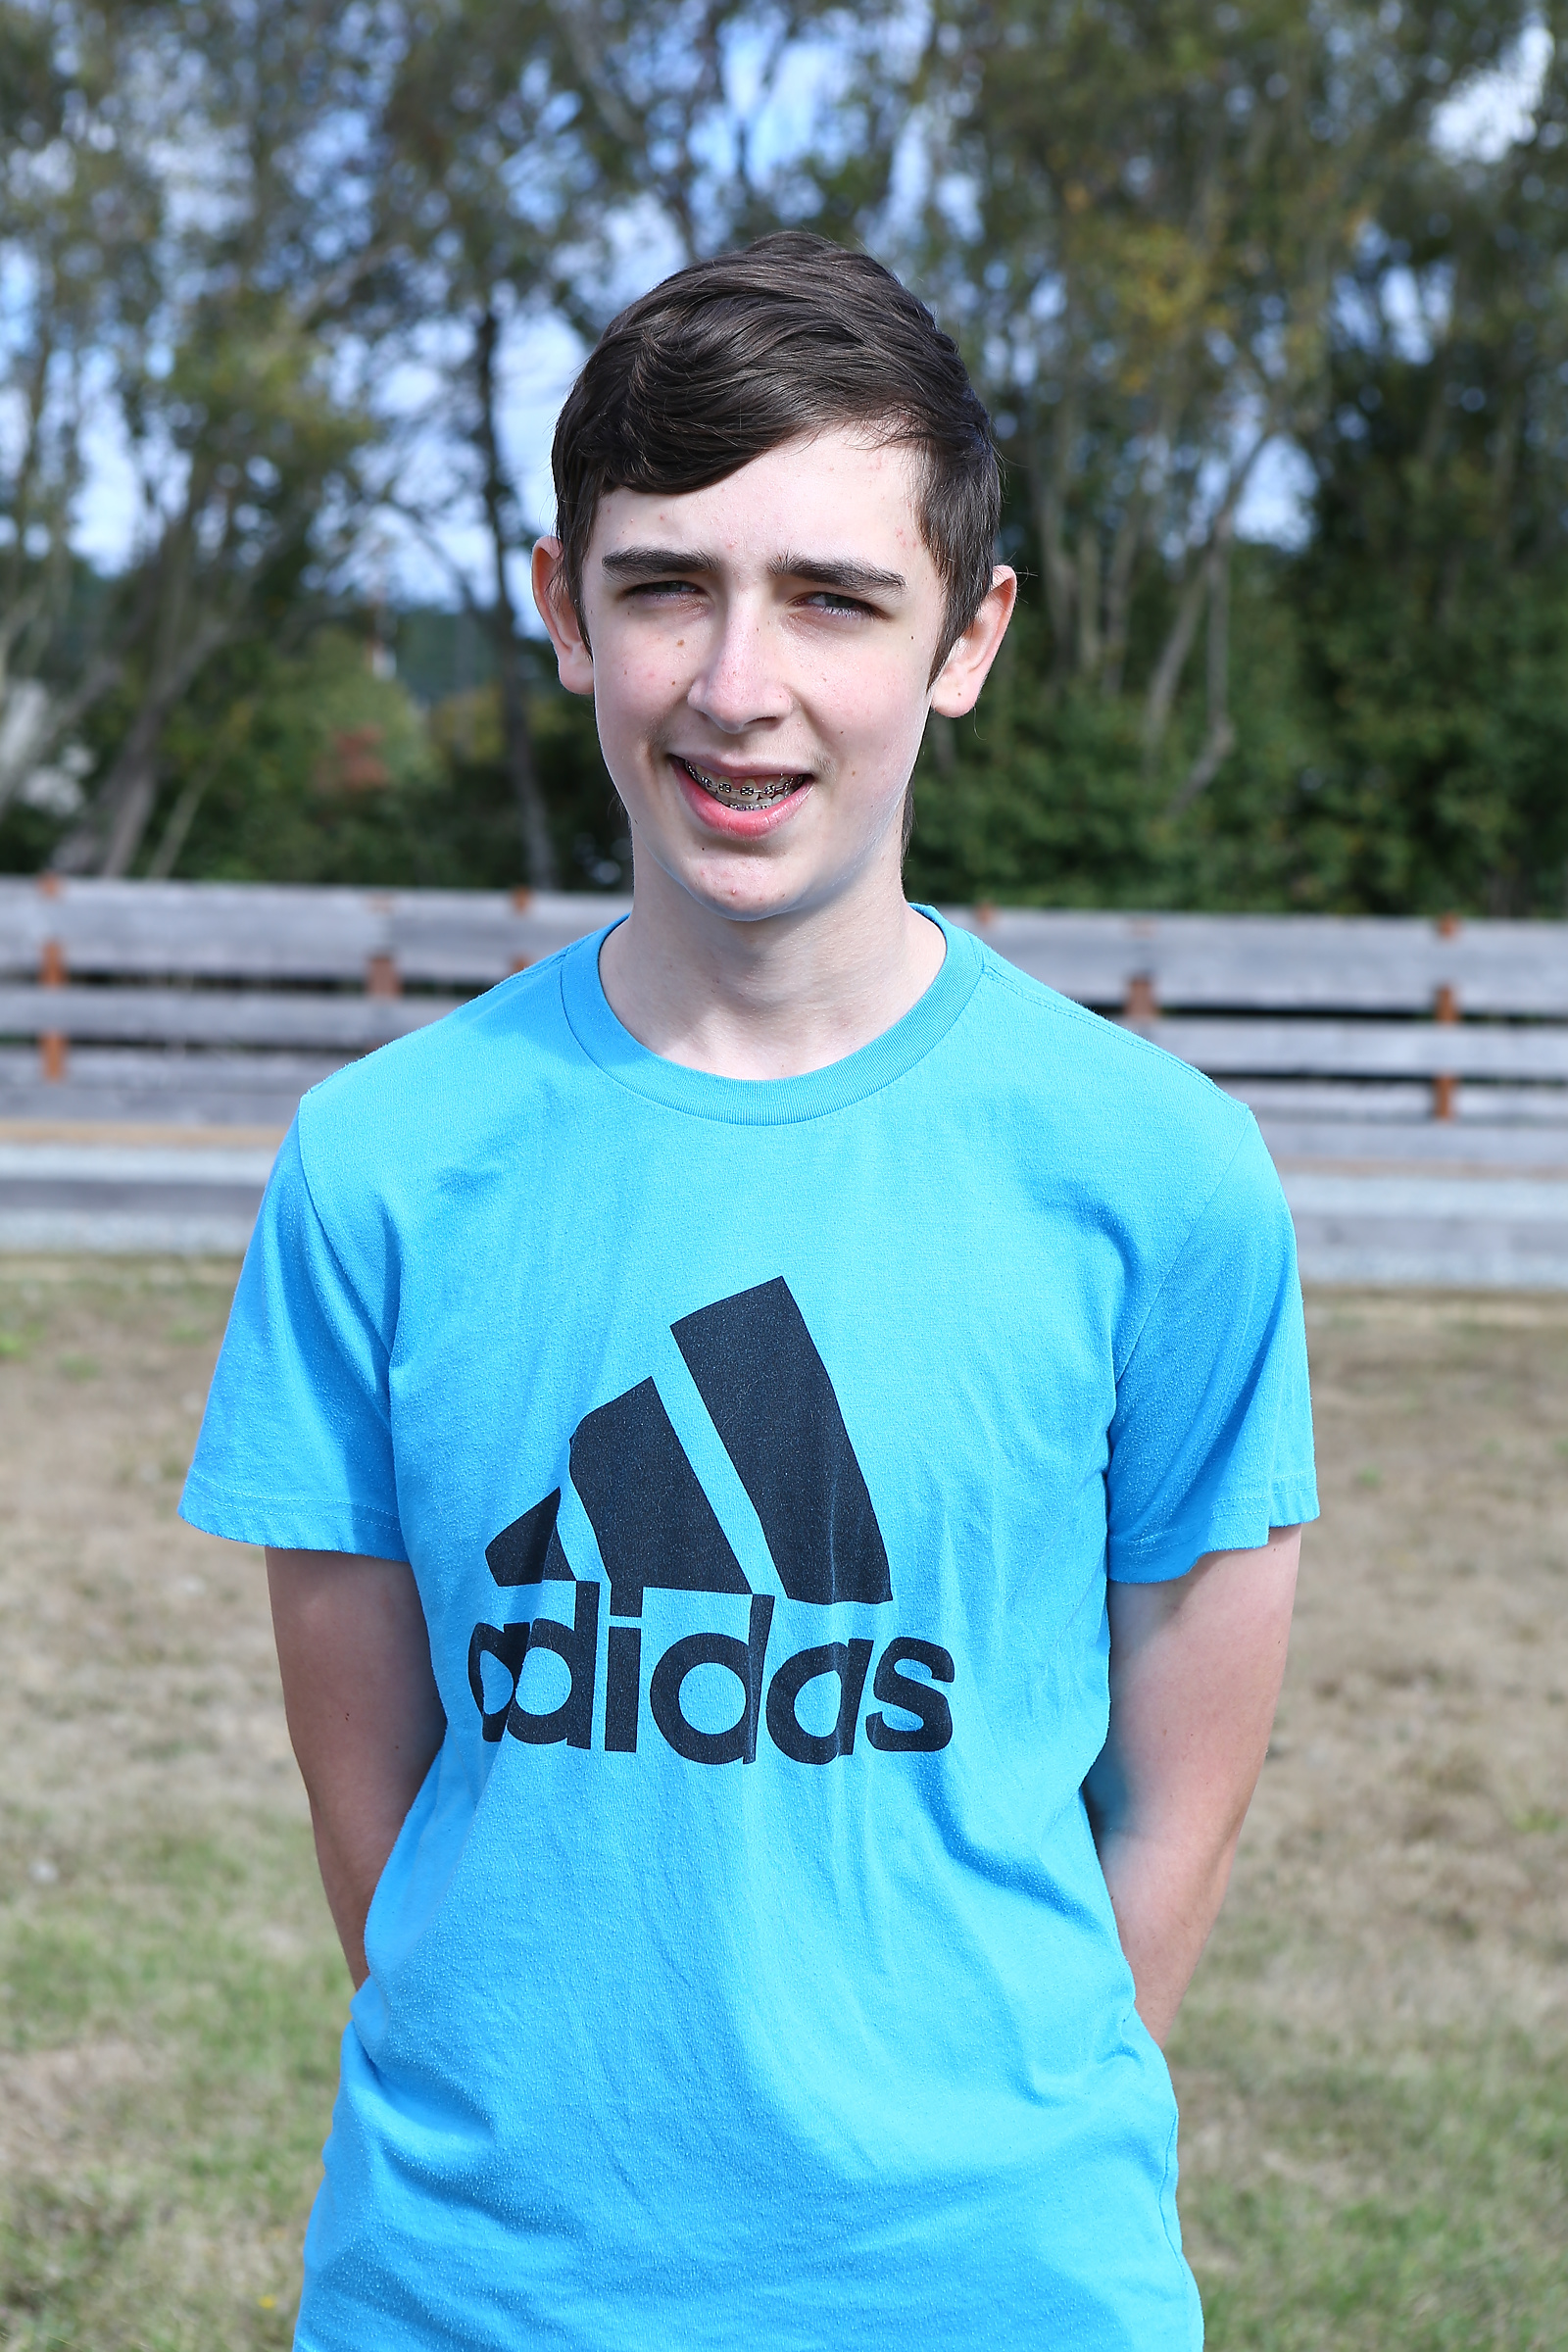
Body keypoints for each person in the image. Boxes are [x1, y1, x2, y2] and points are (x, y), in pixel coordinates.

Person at [181, 230, 1316, 2351]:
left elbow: (1177, 1801)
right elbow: (384, 1835)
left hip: (996, 2292)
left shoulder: (1158, 1178)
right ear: (561, 611)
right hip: (478, 2292)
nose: (734, 682)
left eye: (830, 597)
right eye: (664, 588)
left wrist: (997, 2147)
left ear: (967, 637)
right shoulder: (382, 1167)